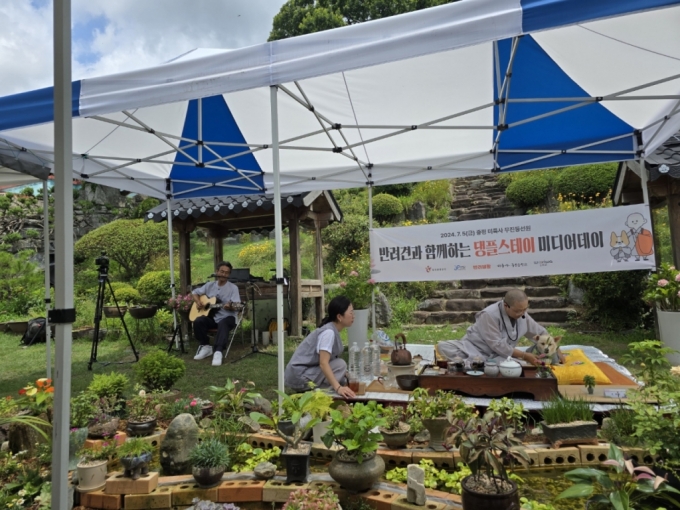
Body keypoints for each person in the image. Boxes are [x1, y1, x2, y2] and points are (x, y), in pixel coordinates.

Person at [437, 289, 552, 365]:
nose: (522, 313)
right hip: (475, 348)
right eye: (518, 311)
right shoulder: (489, 314)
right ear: (506, 306)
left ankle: (483, 364)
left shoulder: (522, 313)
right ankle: (480, 363)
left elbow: (540, 333)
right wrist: (523, 355)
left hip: (500, 356)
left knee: (518, 364)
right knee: (444, 347)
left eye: (525, 309)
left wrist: (555, 348)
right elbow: (497, 344)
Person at [284, 296, 357, 399]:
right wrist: (338, 388)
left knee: (342, 371)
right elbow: (323, 363)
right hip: (299, 376)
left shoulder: (332, 330)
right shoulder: (329, 333)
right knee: (340, 365)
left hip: (304, 372)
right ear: (340, 317)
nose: (353, 316)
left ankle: (326, 389)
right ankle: (320, 393)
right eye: (351, 313)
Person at [191, 261, 241, 367]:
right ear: (217, 271)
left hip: (228, 317)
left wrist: (231, 306)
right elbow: (195, 292)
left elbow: (238, 306)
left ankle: (218, 351)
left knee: (223, 323)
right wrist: (198, 302)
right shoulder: (209, 285)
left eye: (227, 273)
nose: (224, 274)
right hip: (213, 318)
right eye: (222, 271)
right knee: (198, 321)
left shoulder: (233, 288)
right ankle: (205, 346)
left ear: (229, 275)